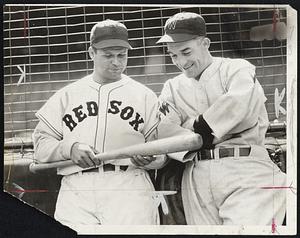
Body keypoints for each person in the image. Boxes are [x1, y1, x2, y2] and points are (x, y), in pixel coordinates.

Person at [33, 19, 166, 232]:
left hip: (128, 184)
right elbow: (40, 147)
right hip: (76, 186)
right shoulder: (67, 95)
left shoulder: (145, 96)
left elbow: (162, 152)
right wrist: (70, 148)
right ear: (91, 53)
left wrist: (150, 159)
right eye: (108, 55)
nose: (116, 62)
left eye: (122, 55)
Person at [156, 12, 286, 225]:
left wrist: (191, 129)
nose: (181, 61)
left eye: (186, 51)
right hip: (195, 176)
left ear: (205, 43)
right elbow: (165, 131)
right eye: (173, 55)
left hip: (245, 167)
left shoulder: (236, 68)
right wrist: (198, 135)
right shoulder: (172, 86)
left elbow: (238, 107)